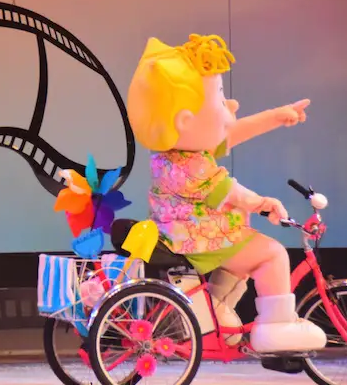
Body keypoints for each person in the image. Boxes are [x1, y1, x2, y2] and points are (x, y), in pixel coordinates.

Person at [126, 33, 325, 353]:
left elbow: (232, 132)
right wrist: (264, 203)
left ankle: (211, 314)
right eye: (219, 100)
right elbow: (229, 191)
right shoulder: (193, 165)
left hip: (181, 233)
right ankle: (277, 329)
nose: (229, 106)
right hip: (198, 238)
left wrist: (276, 116)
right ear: (185, 120)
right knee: (272, 254)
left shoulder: (170, 155)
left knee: (240, 266)